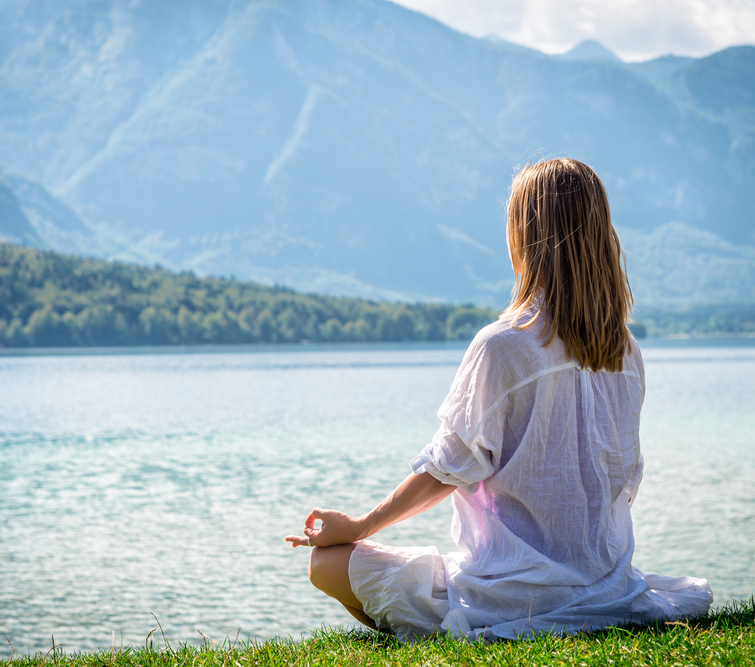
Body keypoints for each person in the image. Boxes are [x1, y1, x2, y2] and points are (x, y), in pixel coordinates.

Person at [285, 158, 712, 641]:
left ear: (523, 238)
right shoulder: (625, 350)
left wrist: (360, 526)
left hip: (512, 593)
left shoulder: (503, 344)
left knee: (326, 564)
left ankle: (444, 630)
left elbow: (447, 468)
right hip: (607, 586)